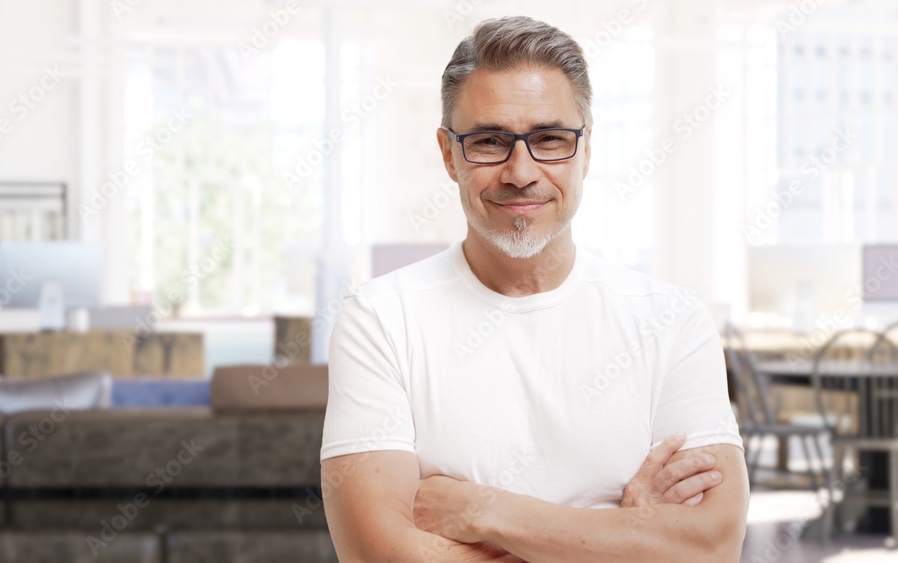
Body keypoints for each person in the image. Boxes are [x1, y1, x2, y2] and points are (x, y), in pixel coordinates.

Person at [320, 15, 748, 562]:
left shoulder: (673, 321)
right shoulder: (380, 319)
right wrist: (625, 534)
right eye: (489, 141)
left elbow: (711, 547)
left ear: (586, 150)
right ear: (449, 154)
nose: (520, 171)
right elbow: (380, 554)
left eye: (549, 139)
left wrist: (485, 512)